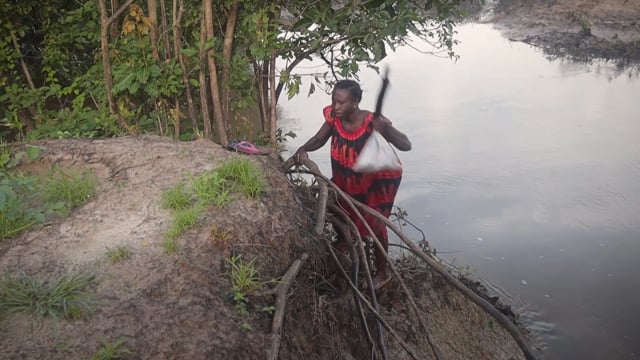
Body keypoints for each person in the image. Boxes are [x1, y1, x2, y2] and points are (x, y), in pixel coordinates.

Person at [291, 79, 411, 290]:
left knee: (376, 224)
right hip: (347, 176)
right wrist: (303, 148)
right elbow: (319, 139)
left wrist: (386, 130)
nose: (336, 107)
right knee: (336, 205)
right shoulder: (335, 118)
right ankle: (349, 238)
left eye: (342, 103)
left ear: (355, 102)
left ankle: (382, 273)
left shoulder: (371, 121)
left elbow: (405, 145)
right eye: (334, 101)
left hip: (377, 181)